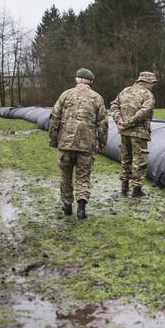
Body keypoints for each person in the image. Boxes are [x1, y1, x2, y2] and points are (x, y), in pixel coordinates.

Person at [48, 68, 108, 219]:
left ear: (77, 79)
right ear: (91, 81)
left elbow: (54, 118)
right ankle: (81, 207)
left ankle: (67, 205)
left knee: (65, 176)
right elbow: (103, 123)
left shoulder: (66, 95)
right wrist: (102, 143)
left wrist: (54, 140)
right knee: (83, 176)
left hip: (65, 144)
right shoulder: (97, 98)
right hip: (86, 145)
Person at [110, 71, 157, 197]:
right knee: (139, 160)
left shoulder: (125, 91)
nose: (153, 85)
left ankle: (124, 187)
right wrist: (129, 123)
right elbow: (145, 112)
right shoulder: (148, 94)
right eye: (152, 83)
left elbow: (114, 106)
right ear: (147, 82)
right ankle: (137, 189)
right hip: (139, 132)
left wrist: (120, 121)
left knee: (125, 158)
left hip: (124, 131)